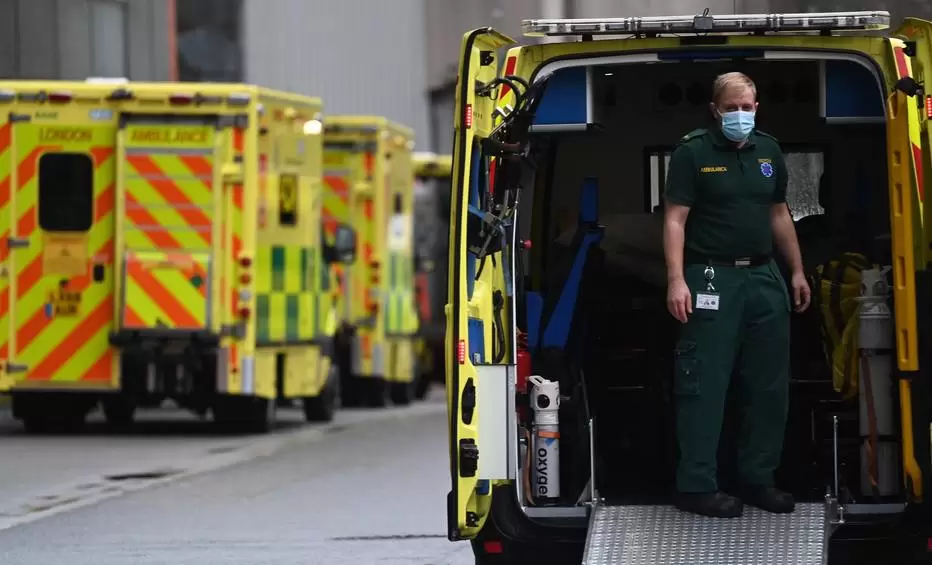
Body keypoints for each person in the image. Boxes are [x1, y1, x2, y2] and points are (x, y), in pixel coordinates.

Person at [662, 72, 811, 518]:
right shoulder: (693, 152)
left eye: (747, 107)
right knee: (704, 384)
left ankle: (757, 479)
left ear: (757, 107)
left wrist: (797, 271)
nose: (740, 116)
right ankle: (697, 485)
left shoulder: (769, 150)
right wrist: (676, 279)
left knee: (768, 386)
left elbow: (780, 214)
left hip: (764, 278)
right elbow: (675, 220)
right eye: (732, 108)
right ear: (714, 110)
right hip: (711, 278)